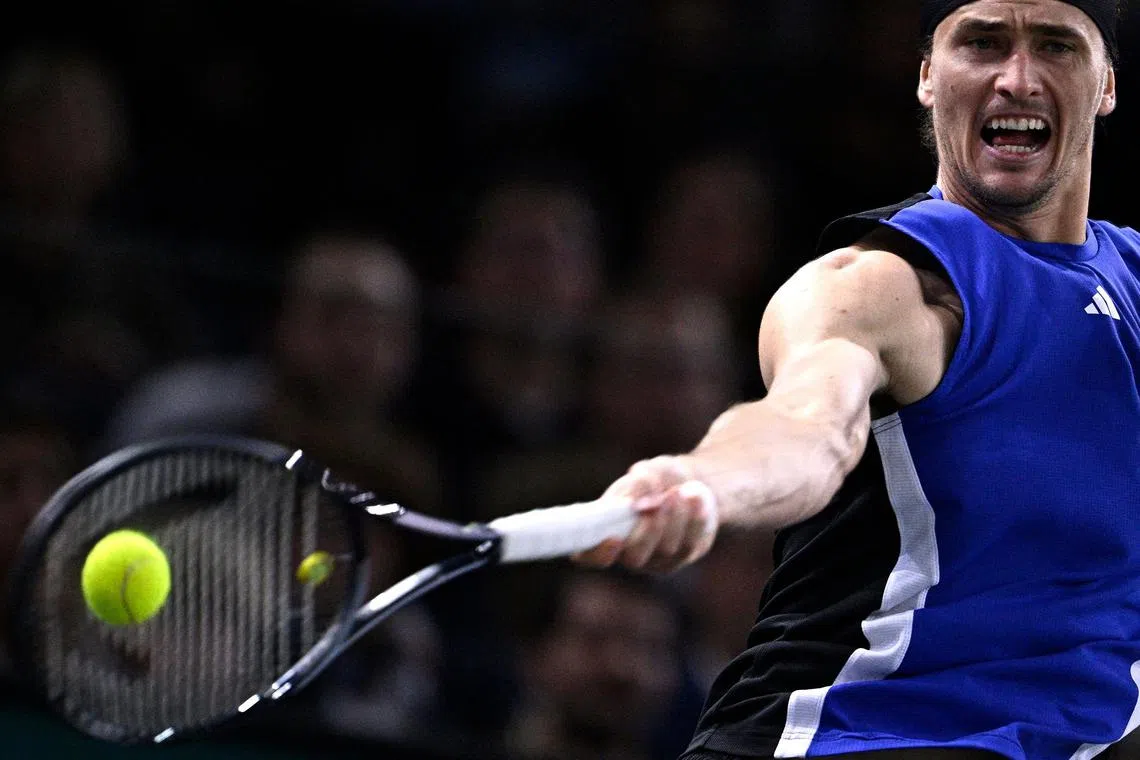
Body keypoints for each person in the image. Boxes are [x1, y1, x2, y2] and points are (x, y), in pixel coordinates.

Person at [575, 1, 1140, 758]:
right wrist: (705, 481)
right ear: (928, 80)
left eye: (1055, 47)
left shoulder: (1129, 283)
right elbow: (806, 426)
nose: (1016, 78)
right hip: (849, 738)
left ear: (1105, 85)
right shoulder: (880, 286)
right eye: (982, 43)